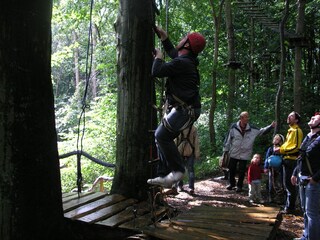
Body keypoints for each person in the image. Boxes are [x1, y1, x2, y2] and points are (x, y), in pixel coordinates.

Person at [147, 26, 206, 188]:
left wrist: (158, 57)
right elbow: (174, 54)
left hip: (185, 109)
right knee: (163, 139)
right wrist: (165, 38)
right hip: (188, 108)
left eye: (184, 38)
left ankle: (177, 170)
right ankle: (165, 174)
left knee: (161, 136)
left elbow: (157, 71)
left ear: (187, 45)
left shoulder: (183, 63)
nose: (181, 39)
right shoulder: (187, 61)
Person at [223, 111, 276, 192]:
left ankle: (239, 186)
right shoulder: (233, 127)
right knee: (231, 169)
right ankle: (231, 183)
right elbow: (228, 139)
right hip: (234, 152)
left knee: (242, 170)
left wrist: (271, 126)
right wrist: (225, 150)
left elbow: (262, 131)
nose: (247, 119)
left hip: (245, 153)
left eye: (248, 117)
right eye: (246, 117)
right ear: (241, 118)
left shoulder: (252, 128)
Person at [291, 113, 320, 240]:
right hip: (302, 178)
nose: (311, 118)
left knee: (312, 213)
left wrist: (315, 178)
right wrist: (294, 173)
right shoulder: (308, 136)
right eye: (311, 117)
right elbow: (301, 157)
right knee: (305, 211)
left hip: (314, 181)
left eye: (315, 118)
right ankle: (306, 236)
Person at [274, 111, 303, 214]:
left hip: (292, 160)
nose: (288, 117)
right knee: (286, 184)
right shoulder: (290, 131)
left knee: (290, 184)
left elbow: (296, 147)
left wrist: (281, 150)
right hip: (286, 159)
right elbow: (287, 145)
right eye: (288, 115)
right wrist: (280, 149)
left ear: (296, 120)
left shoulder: (297, 131)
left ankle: (290, 208)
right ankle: (288, 205)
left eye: (291, 116)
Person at [175, 125, 200, 194]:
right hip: (190, 151)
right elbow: (196, 142)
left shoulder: (178, 127)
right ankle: (191, 187)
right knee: (190, 170)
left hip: (180, 151)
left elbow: (175, 141)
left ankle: (180, 186)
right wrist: (197, 154)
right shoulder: (193, 128)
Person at [264, 134, 285, 203]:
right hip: (271, 169)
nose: (275, 140)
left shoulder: (282, 149)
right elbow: (267, 158)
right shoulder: (270, 149)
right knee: (271, 183)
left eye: (277, 139)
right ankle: (271, 198)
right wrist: (266, 167)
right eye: (275, 139)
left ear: (281, 141)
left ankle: (280, 199)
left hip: (280, 169)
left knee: (279, 183)